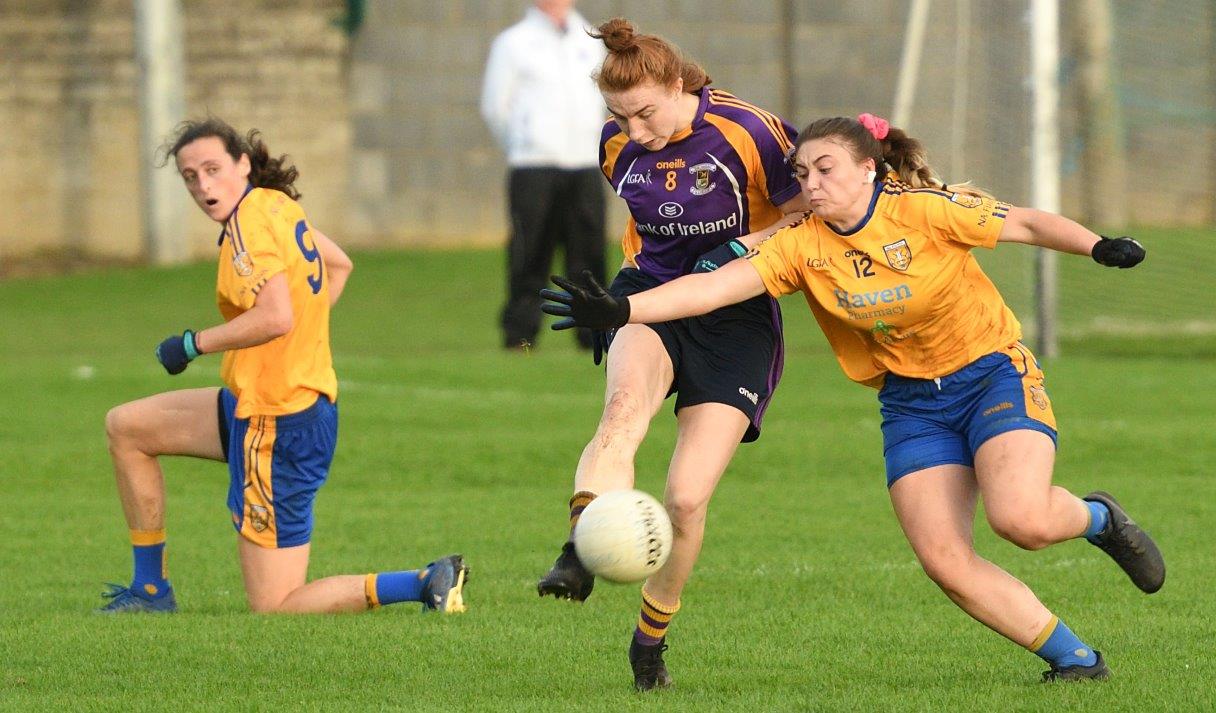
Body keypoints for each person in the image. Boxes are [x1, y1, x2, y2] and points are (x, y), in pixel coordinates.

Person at [543, 113, 1165, 682]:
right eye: (802, 173)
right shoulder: (801, 243)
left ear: (869, 167)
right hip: (910, 405)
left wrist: (1095, 244)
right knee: (946, 562)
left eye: (825, 169)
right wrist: (625, 308)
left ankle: (1100, 519)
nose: (810, 184)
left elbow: (1024, 221)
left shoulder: (922, 210)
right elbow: (712, 291)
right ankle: (1077, 662)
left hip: (991, 375)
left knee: (1021, 521)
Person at [533, 18, 809, 692]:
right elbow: (646, 231)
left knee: (686, 499)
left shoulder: (751, 130)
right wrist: (621, 304)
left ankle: (649, 639)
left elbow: (812, 211)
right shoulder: (615, 146)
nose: (636, 131)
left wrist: (744, 248)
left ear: (680, 83)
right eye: (621, 117)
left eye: (646, 113)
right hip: (650, 301)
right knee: (623, 413)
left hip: (735, 317)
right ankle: (579, 546)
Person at [99, 118, 469, 615]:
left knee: (275, 607)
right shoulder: (272, 204)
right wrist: (294, 341)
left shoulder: (250, 224)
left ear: (243, 164)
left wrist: (192, 345)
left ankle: (423, 581)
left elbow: (274, 315)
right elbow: (338, 266)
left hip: (277, 421)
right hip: (261, 400)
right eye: (190, 176)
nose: (203, 185)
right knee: (128, 428)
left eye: (212, 169)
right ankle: (150, 591)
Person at [481, 0, 608, 352]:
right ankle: (520, 334)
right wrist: (526, 144)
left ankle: (593, 333)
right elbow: (496, 107)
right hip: (533, 165)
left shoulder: (590, 41)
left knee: (589, 253)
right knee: (530, 251)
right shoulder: (513, 42)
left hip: (584, 163)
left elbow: (601, 100)